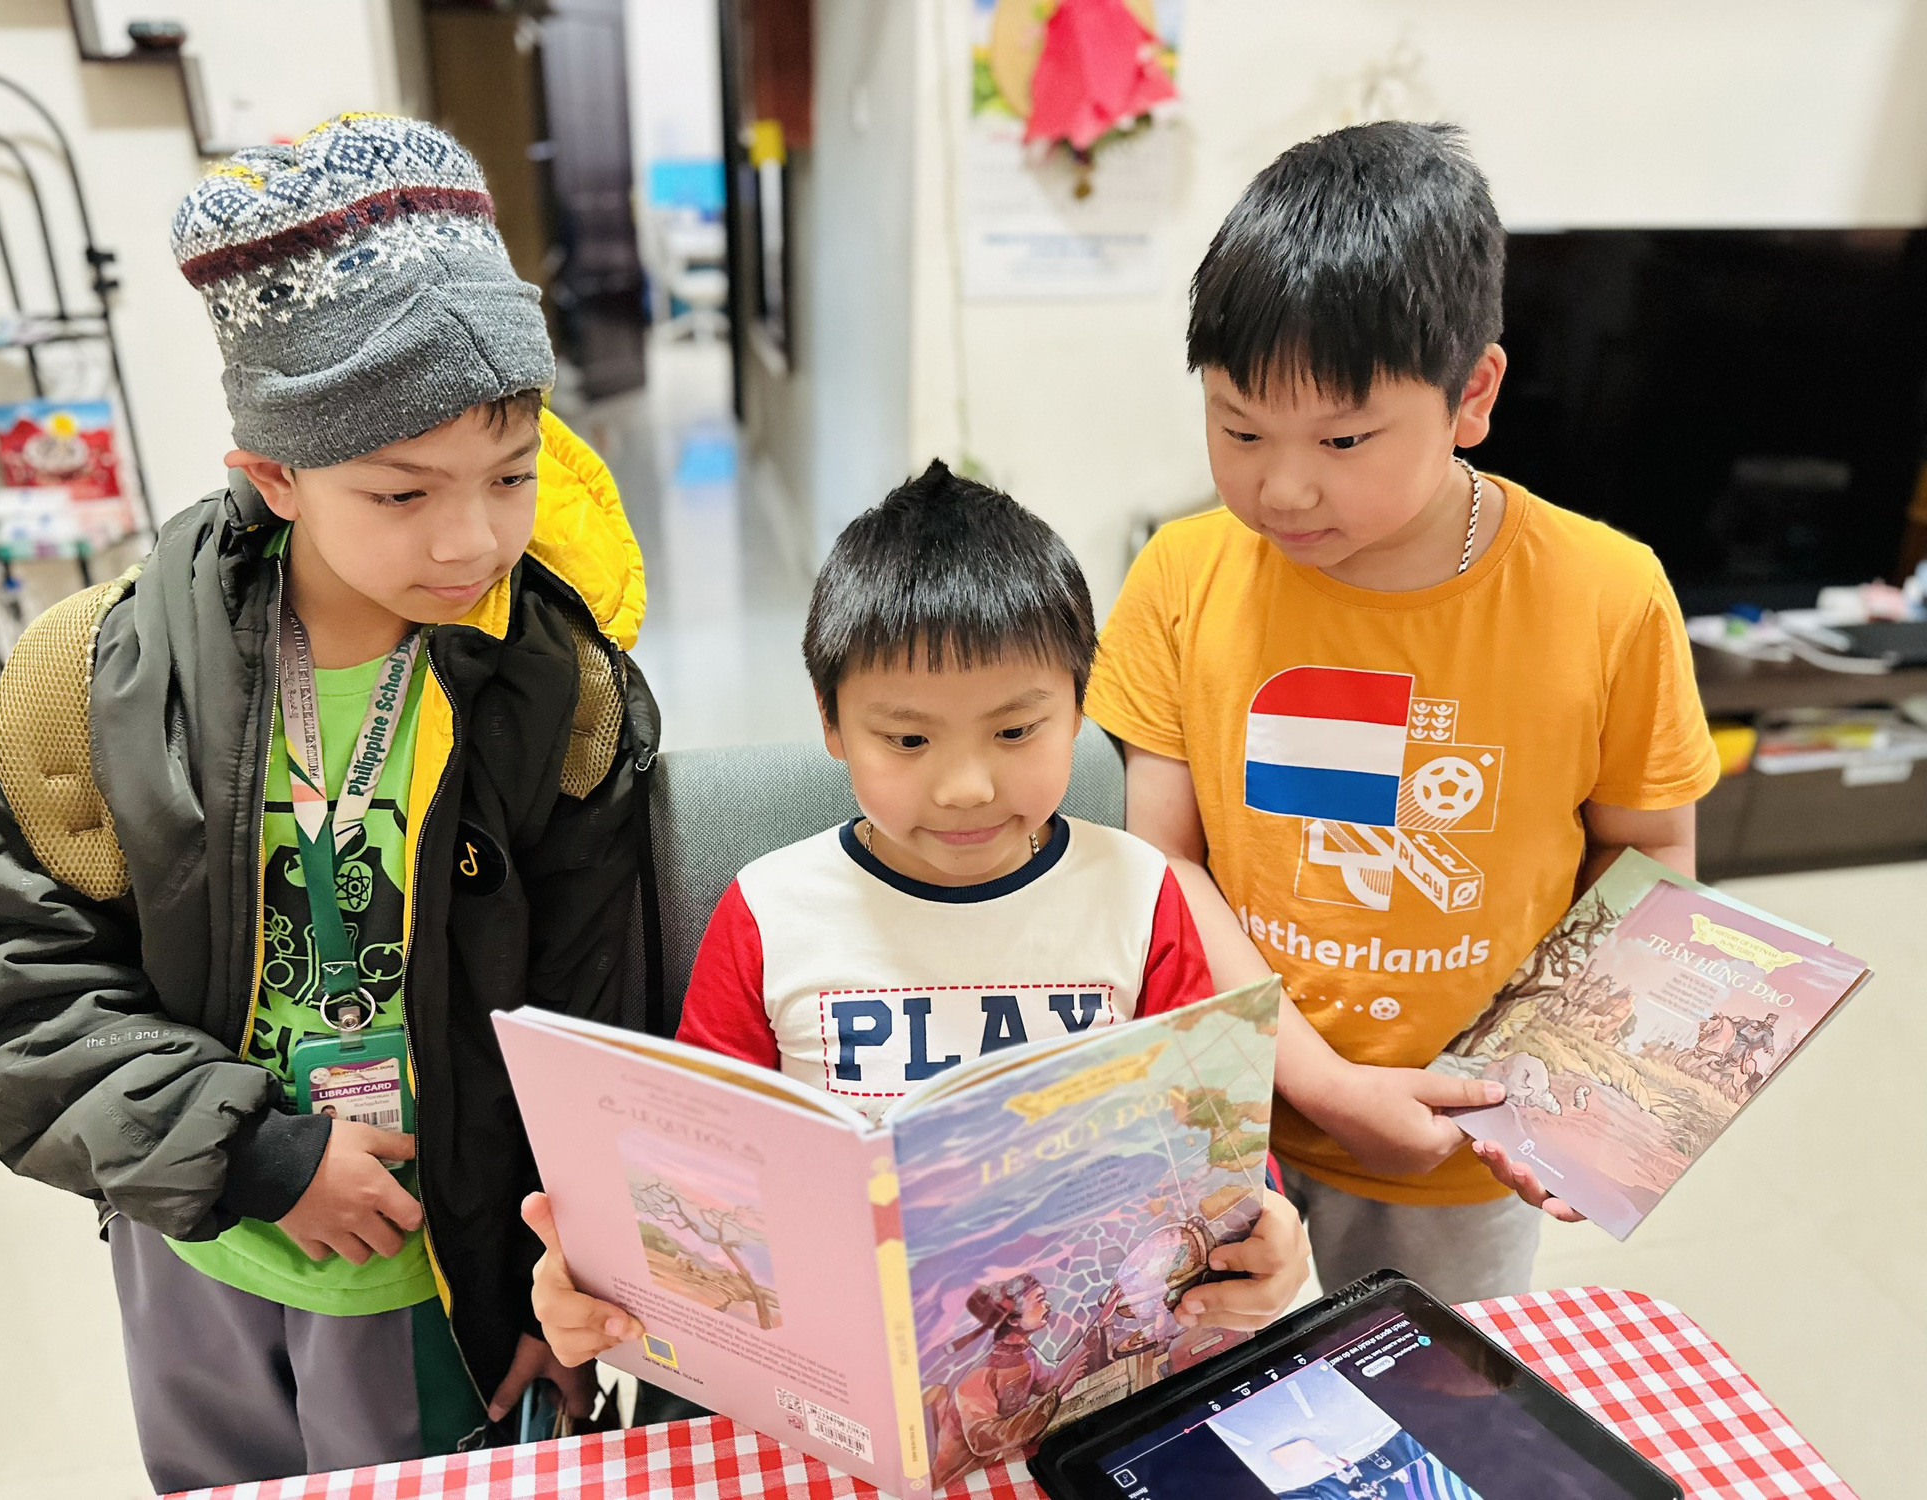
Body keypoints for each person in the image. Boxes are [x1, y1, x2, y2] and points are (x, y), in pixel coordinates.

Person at [0, 115, 657, 1491]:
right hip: (201, 1241)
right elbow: (2, 985)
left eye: (512, 475)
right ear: (274, 476)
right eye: (401, 491)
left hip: (447, 1274)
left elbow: (598, 1023)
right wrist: (254, 1154)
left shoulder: (557, 692)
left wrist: (560, 1282)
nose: (472, 538)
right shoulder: (90, 684)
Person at [1084, 121, 1719, 1303]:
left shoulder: (1606, 593)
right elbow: (1160, 867)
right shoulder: (1181, 576)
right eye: (1235, 428)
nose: (1279, 485)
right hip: (1220, 1120)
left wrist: (1572, 1096)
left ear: (1469, 394)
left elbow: (1647, 859)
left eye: (1340, 438)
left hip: (1459, 1149)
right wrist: (1323, 1084)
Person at [523, 462, 1311, 1378]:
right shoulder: (771, 913)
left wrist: (1267, 1232)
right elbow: (698, 1177)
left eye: (1016, 732)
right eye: (907, 739)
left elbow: (1212, 1145)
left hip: (1082, 1361)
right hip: (835, 1368)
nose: (966, 786)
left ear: (1079, 709)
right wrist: (600, 1287)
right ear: (831, 721)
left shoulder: (1137, 895)